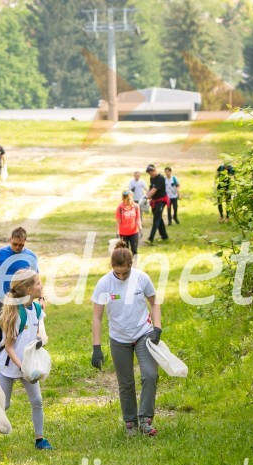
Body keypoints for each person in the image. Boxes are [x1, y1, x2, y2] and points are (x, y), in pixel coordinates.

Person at [91, 241, 163, 436]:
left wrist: (157, 327)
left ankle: (146, 420)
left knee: (150, 375)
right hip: (119, 338)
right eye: (118, 273)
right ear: (112, 268)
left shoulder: (142, 278)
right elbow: (97, 316)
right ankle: (130, 423)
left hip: (143, 334)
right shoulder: (105, 283)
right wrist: (96, 347)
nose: (121, 277)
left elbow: (154, 303)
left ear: (131, 265)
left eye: (125, 273)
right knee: (126, 382)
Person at [0, 269, 54, 455]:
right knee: (3, 404)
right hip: (9, 366)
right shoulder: (14, 314)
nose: (41, 285)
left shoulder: (35, 309)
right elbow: (10, 347)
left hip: (28, 365)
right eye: (37, 283)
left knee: (37, 401)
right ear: (28, 290)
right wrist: (22, 366)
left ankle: (40, 439)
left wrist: (38, 342)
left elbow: (34, 333)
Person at [0, 227, 38, 320]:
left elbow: (36, 280)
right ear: (10, 239)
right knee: (0, 333)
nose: (17, 247)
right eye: (15, 244)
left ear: (25, 241)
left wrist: (41, 299)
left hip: (22, 301)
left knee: (22, 332)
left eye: (21, 245)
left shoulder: (31, 256)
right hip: (1, 301)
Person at [144, 164, 169, 245]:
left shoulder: (160, 179)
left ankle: (150, 238)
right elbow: (150, 188)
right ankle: (164, 236)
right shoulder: (152, 178)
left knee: (156, 220)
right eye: (149, 173)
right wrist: (145, 196)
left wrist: (146, 197)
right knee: (159, 218)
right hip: (155, 201)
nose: (150, 174)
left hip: (161, 201)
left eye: (151, 172)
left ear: (154, 170)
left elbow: (154, 190)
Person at [115, 189, 141, 255]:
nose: (130, 201)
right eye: (127, 199)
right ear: (123, 199)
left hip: (134, 232)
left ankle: (134, 264)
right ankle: (127, 265)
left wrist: (140, 229)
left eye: (131, 199)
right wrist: (117, 233)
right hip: (123, 234)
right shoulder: (120, 208)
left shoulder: (136, 206)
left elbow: (138, 219)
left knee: (134, 251)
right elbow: (118, 221)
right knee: (125, 252)